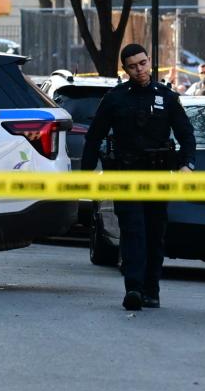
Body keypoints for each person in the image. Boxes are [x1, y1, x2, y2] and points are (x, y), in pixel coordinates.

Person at [82, 43, 197, 311]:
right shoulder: (115, 99)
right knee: (133, 232)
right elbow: (94, 137)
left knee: (155, 234)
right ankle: (133, 288)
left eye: (143, 63)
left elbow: (186, 135)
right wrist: (85, 174)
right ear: (125, 69)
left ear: (149, 62)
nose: (140, 70)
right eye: (133, 66)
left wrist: (187, 165)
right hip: (127, 175)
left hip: (158, 176)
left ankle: (151, 290)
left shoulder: (167, 98)